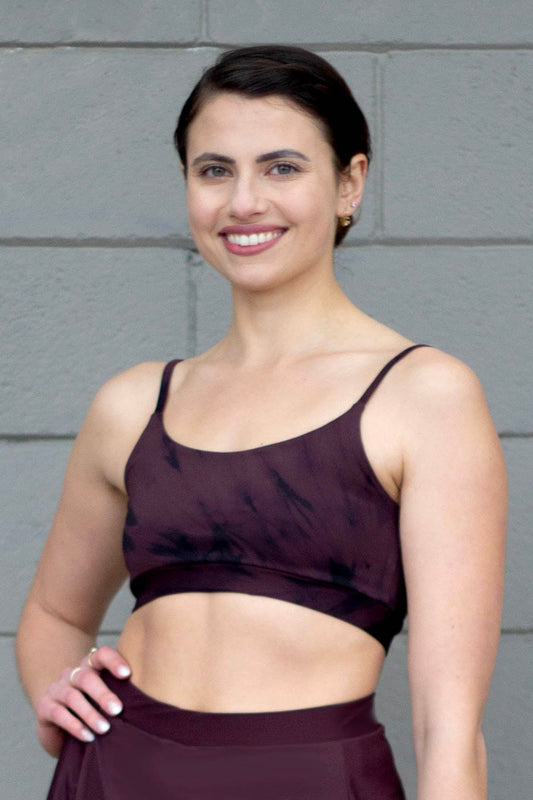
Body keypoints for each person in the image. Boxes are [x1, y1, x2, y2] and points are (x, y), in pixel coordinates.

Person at [15, 45, 507, 800]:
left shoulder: (424, 395)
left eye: (281, 167)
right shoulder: (134, 403)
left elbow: (447, 726)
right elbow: (53, 611)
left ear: (349, 184)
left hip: (306, 779)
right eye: (214, 170)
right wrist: (58, 687)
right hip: (116, 775)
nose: (243, 201)